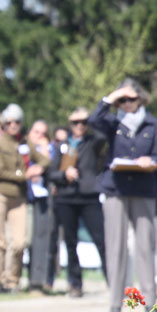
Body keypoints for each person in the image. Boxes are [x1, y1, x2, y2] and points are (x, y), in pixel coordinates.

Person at [88, 79, 157, 312]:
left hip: (144, 189)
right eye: (123, 99)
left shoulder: (153, 124)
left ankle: (150, 303)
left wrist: (150, 161)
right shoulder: (112, 122)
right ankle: (114, 304)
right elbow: (93, 120)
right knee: (115, 248)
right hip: (115, 190)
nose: (127, 103)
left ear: (140, 98)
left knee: (145, 247)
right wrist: (113, 96)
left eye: (131, 98)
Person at [0, 104, 50, 293]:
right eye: (9, 122)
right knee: (1, 242)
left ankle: (14, 281)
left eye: (17, 122)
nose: (13, 125)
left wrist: (40, 168)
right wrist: (24, 175)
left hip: (18, 198)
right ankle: (1, 281)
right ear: (4, 123)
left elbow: (44, 160)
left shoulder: (25, 144)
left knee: (20, 243)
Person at [48, 107, 107, 297]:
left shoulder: (93, 142)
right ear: (70, 124)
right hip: (66, 197)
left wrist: (90, 119)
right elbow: (51, 172)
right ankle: (75, 284)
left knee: (101, 241)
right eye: (76, 122)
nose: (80, 126)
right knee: (70, 243)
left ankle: (113, 283)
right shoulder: (62, 145)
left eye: (83, 122)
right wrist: (64, 175)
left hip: (89, 196)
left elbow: (103, 132)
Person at [26, 119, 58, 292]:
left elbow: (51, 166)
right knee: (28, 240)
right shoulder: (24, 149)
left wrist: (45, 149)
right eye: (36, 132)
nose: (39, 136)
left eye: (43, 133)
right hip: (27, 198)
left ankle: (41, 281)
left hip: (45, 199)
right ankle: (29, 279)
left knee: (44, 240)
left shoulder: (51, 150)